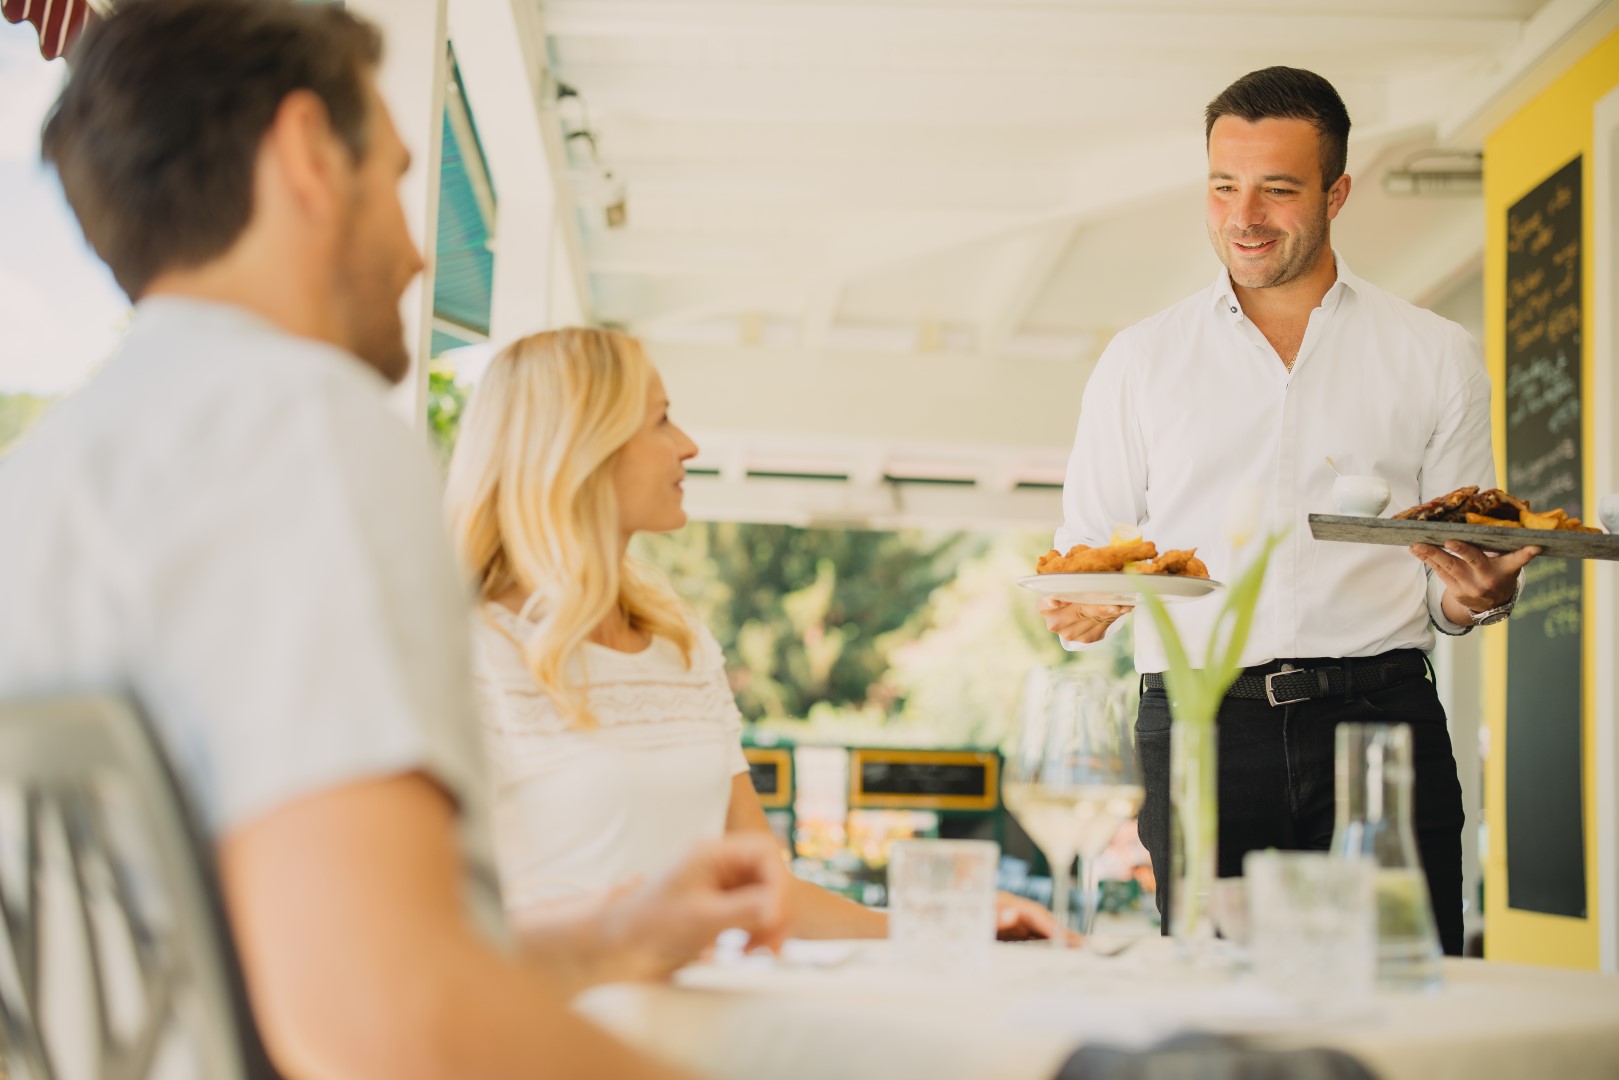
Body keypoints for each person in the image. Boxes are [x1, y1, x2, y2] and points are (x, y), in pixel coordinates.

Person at [0, 2, 788, 1077]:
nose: (420, 253)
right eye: (397, 177)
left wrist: (604, 936)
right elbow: (379, 1019)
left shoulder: (49, 479)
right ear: (307, 157)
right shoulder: (298, 425)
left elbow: (265, 952)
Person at [1041, 66, 1536, 956]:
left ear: (1336, 192)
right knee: (1218, 1007)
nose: (1244, 216)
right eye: (1223, 186)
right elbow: (1084, 560)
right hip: (1199, 726)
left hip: (1381, 720)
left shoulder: (1433, 354)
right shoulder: (1139, 360)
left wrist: (1480, 593)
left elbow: (1454, 585)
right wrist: (1082, 609)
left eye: (1277, 188)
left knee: (1403, 995)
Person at [444, 328, 1062, 941]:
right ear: (580, 447)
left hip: (704, 1024)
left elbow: (765, 891)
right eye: (661, 420)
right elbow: (428, 925)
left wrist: (945, 923)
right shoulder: (465, 654)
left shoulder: (679, 641)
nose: (687, 446)